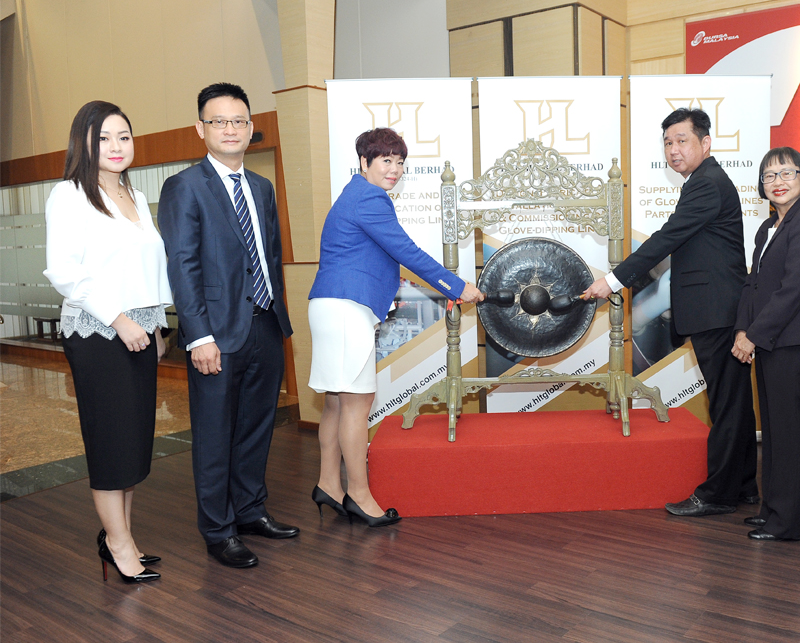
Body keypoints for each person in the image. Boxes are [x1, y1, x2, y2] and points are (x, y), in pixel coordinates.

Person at [582, 108, 758, 516]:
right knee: (733, 401)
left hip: (717, 310)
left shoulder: (707, 183)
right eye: (667, 142)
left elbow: (667, 238)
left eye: (682, 140)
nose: (673, 149)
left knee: (727, 404)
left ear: (705, 143)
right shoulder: (703, 181)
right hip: (717, 308)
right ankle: (743, 484)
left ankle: (718, 494)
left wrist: (613, 280)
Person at [308, 128, 483, 527]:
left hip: (332, 305)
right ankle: (359, 495)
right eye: (386, 160)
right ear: (364, 162)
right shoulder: (370, 198)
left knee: (337, 401)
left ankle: (329, 484)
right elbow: (405, 251)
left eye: (400, 162)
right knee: (357, 403)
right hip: (346, 307)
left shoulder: (355, 194)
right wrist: (457, 287)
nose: (395, 169)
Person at [158, 83, 297, 569]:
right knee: (215, 434)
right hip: (215, 333)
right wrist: (198, 335)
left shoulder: (260, 187)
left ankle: (251, 511)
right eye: (219, 121)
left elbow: (270, 256)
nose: (230, 129)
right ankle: (218, 530)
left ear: (251, 126)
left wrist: (277, 313)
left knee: (256, 428)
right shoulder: (184, 186)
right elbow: (183, 266)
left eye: (239, 121)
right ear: (201, 129)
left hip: (265, 324)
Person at [44, 101, 172, 583]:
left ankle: (123, 537)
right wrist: (120, 320)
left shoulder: (134, 194)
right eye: (103, 138)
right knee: (110, 443)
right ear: (84, 142)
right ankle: (117, 545)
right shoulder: (69, 194)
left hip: (140, 331)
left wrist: (155, 326)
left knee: (134, 443)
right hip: (98, 331)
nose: (116, 146)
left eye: (123, 136)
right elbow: (64, 271)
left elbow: (146, 269)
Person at [732, 147, 800, 542]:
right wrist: (742, 329)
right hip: (770, 340)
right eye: (770, 175)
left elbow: (793, 291)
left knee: (788, 433)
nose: (778, 181)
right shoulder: (768, 227)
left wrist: (753, 335)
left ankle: (790, 522)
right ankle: (772, 509)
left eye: (787, 173)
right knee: (772, 430)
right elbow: (753, 285)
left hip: (792, 341)